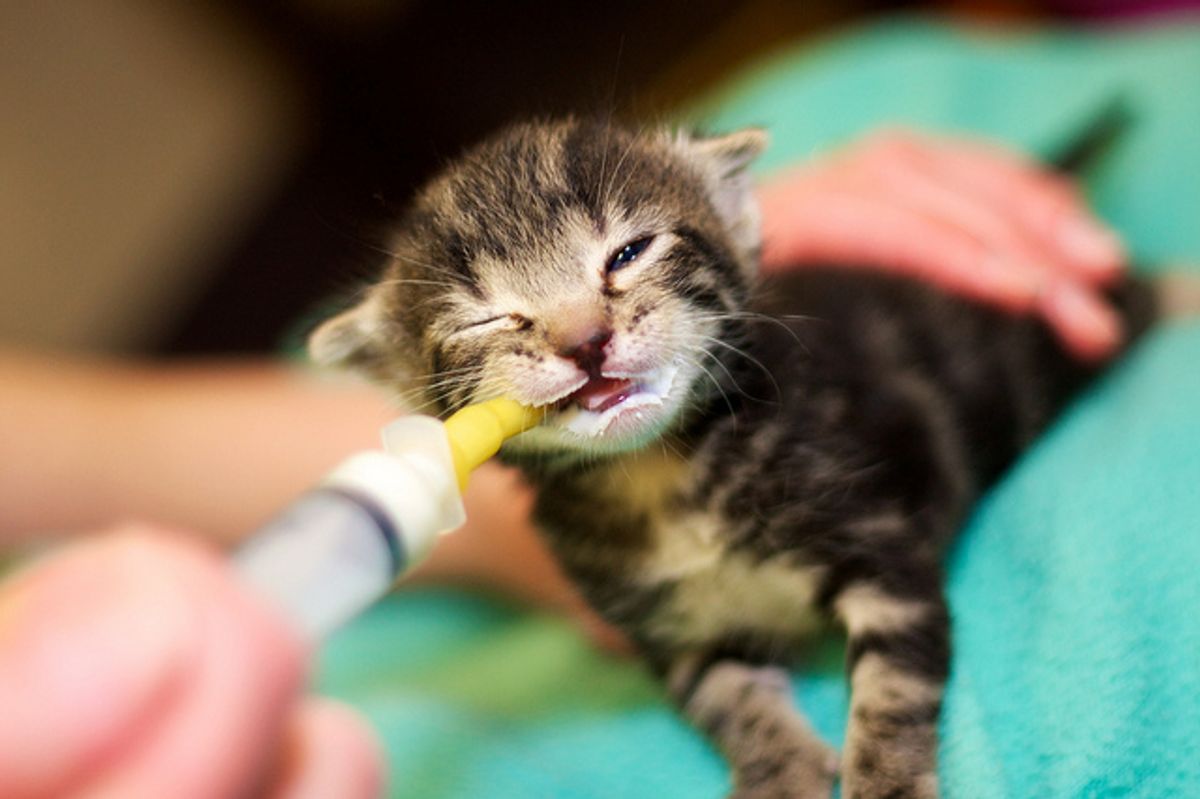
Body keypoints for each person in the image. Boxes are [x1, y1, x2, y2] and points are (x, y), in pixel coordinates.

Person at [0, 130, 1126, 798]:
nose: (583, 332)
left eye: (623, 255)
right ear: (403, 384)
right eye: (497, 325)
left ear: (734, 215)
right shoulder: (560, 498)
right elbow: (685, 647)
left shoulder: (786, 411)